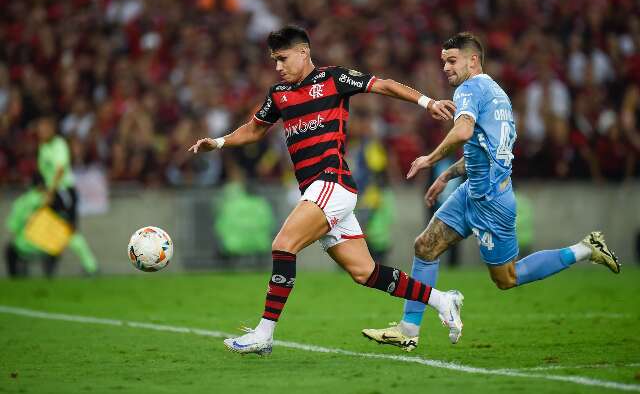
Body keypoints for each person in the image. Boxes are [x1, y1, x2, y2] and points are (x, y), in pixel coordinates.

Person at [189, 25, 463, 355]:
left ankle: (264, 333)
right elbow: (253, 129)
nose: (278, 66)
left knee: (283, 245)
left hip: (331, 183)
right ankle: (442, 300)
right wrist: (218, 142)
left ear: (303, 53)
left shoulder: (333, 79)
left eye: (282, 58)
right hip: (319, 191)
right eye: (274, 60)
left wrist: (427, 101)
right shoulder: (279, 94)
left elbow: (384, 85)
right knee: (365, 272)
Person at [362, 32, 621, 352]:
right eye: (443, 61)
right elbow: (484, 150)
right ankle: (408, 329)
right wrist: (446, 176)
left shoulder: (470, 89)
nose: (446, 67)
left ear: (473, 60)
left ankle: (586, 247)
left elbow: (464, 130)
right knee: (425, 246)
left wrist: (431, 158)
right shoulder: (498, 95)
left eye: (452, 60)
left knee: (506, 278)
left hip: (491, 202)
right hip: (472, 190)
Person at [36, 115, 99, 275]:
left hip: (64, 192)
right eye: (40, 128)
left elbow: (60, 170)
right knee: (51, 228)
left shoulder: (59, 145)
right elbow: (45, 173)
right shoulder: (43, 148)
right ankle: (50, 267)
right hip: (53, 193)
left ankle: (91, 266)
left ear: (52, 129)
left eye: (44, 128)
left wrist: (50, 192)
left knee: (69, 230)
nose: (41, 131)